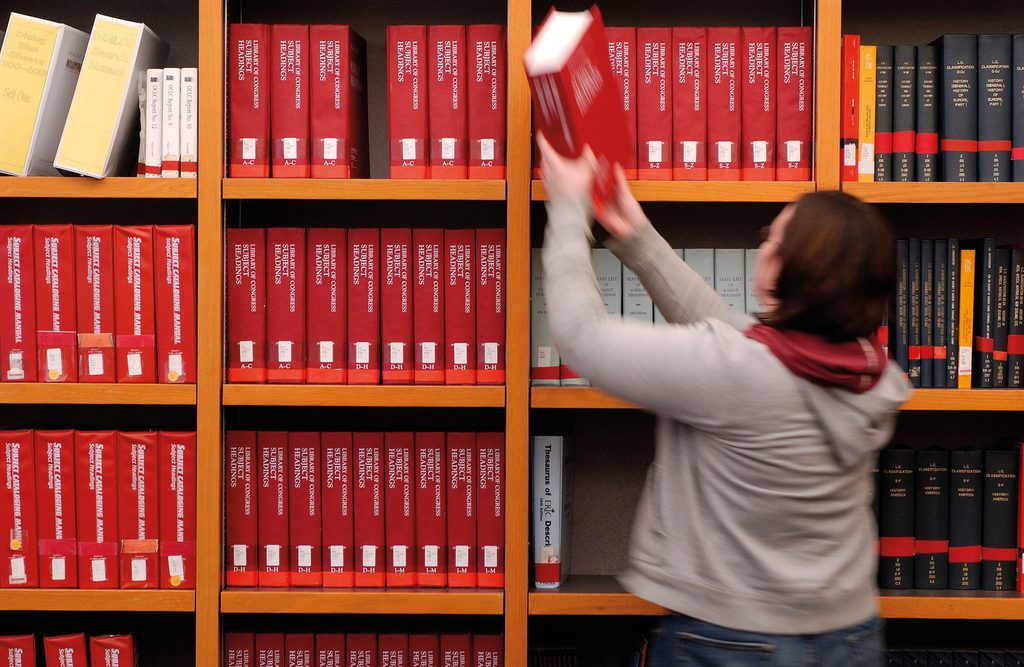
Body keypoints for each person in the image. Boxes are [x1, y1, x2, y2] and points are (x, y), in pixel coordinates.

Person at [537, 134, 912, 667]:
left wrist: (569, 210)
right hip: (847, 634)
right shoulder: (874, 374)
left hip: (735, 641)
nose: (762, 246)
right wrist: (637, 237)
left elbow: (581, 337)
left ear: (795, 270)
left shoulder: (738, 372)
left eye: (772, 240)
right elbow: (736, 336)